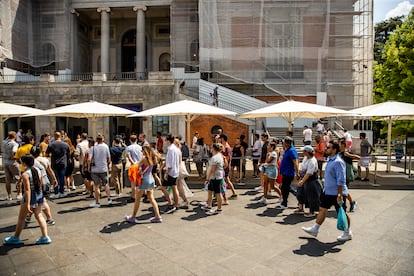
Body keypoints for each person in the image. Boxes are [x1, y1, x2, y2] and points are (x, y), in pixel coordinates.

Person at [302, 140, 353, 242]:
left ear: (334, 150)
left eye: (328, 147)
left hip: (336, 193)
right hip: (328, 191)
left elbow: (341, 179)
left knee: (342, 212)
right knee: (322, 209)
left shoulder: (338, 162)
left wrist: (339, 193)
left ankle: (347, 232)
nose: (326, 149)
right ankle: (315, 229)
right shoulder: (331, 160)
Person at [3, 155, 52, 245]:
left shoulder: (26, 174)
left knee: (21, 218)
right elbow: (41, 183)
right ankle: (45, 237)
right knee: (39, 215)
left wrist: (28, 203)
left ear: (24, 163)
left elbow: (27, 190)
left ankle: (16, 237)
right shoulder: (37, 170)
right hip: (39, 194)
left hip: (30, 197)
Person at [124, 145, 163, 223]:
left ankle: (133, 217)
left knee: (137, 199)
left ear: (144, 151)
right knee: (151, 198)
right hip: (151, 179)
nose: (141, 152)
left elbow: (136, 166)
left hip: (143, 180)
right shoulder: (153, 158)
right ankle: (158, 216)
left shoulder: (144, 159)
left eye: (142, 151)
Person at [294, 145, 321, 217]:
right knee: (300, 193)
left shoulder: (312, 161)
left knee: (311, 196)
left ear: (307, 152)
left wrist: (302, 181)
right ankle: (300, 208)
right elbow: (302, 167)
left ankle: (311, 211)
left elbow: (309, 173)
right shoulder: (306, 158)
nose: (302, 152)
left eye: (304, 151)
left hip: (311, 180)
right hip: (304, 178)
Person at [88, 133, 112, 208]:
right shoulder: (106, 147)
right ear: (103, 139)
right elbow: (109, 158)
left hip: (95, 169)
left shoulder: (93, 148)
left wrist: (89, 167)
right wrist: (108, 165)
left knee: (96, 186)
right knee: (106, 184)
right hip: (103, 168)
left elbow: (89, 159)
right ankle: (109, 199)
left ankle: (97, 202)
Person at [159, 134, 180, 214]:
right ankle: (176, 204)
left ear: (168, 141)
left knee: (163, 187)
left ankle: (170, 203)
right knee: (174, 188)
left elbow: (169, 163)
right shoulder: (176, 149)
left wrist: (166, 173)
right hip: (175, 171)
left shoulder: (171, 149)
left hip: (171, 171)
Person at [202, 143, 225, 215]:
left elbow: (212, 170)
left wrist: (207, 179)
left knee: (218, 193)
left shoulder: (215, 158)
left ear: (214, 149)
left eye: (211, 148)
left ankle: (219, 208)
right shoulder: (218, 156)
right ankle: (209, 205)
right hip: (215, 177)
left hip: (215, 178)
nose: (210, 149)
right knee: (210, 191)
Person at [277, 136, 299, 210]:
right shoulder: (287, 150)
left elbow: (295, 162)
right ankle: (297, 195)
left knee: (285, 188)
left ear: (287, 143)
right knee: (286, 187)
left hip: (289, 173)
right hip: (285, 172)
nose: (282, 144)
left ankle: (285, 203)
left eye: (283, 142)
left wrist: (297, 172)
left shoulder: (292, 151)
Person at [47, 132, 70, 199]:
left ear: (54, 136)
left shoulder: (51, 145)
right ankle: (61, 192)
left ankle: (56, 192)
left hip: (55, 163)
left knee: (55, 178)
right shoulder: (66, 144)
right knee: (62, 178)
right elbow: (69, 153)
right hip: (63, 163)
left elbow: (47, 154)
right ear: (60, 136)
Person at [339, 139, 360, 212]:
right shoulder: (339, 153)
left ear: (343, 145)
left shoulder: (346, 153)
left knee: (344, 191)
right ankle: (351, 203)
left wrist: (350, 155)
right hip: (340, 175)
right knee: (342, 191)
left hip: (346, 175)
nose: (338, 145)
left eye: (339, 144)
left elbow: (358, 157)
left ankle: (345, 206)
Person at [14, 134, 35, 200]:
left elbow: (16, 158)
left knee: (25, 184)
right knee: (33, 184)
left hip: (23, 169)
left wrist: (21, 163)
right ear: (31, 140)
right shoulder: (33, 147)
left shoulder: (20, 149)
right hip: (33, 168)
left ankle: (25, 197)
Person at [2, 131, 20, 200]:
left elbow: (6, 139)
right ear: (15, 136)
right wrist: (13, 157)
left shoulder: (4, 142)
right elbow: (14, 151)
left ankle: (9, 196)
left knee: (7, 179)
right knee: (18, 178)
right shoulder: (14, 144)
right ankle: (19, 194)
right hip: (12, 162)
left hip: (5, 162)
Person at [219, 134, 238, 200]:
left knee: (223, 181)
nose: (219, 140)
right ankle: (234, 193)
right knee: (227, 180)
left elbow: (227, 158)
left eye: (220, 138)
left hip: (225, 167)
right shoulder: (225, 146)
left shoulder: (226, 147)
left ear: (222, 139)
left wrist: (223, 165)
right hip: (225, 166)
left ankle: (223, 195)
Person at [125, 134, 143, 200]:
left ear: (130, 140)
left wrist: (133, 163)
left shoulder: (128, 148)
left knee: (133, 182)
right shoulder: (140, 147)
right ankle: (141, 194)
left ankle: (133, 196)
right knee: (140, 181)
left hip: (133, 166)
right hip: (140, 165)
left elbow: (129, 157)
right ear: (137, 140)